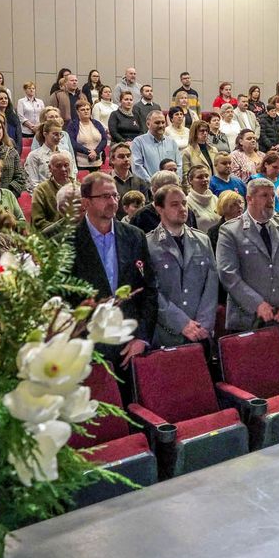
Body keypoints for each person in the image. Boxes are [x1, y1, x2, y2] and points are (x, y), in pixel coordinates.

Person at [71, 173, 157, 404]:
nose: (112, 201)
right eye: (104, 196)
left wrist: (142, 337)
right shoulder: (67, 242)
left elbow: (149, 289)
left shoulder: (134, 236)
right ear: (86, 202)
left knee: (136, 411)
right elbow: (62, 300)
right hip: (89, 350)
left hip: (130, 345)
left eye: (115, 196)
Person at [216, 177, 279, 333]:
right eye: (264, 195)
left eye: (272, 196)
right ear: (249, 199)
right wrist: (257, 304)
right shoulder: (230, 231)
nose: (270, 201)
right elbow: (228, 274)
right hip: (247, 318)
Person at [146, 184, 218, 348]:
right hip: (167, 333)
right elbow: (151, 291)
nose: (182, 209)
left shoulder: (202, 240)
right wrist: (182, 323)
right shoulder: (148, 244)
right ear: (159, 209)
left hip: (201, 332)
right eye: (174, 204)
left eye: (184, 203)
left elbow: (211, 284)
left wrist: (203, 324)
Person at [129, 110, 181, 183]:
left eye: (163, 122)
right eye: (157, 123)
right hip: (149, 186)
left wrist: (176, 181)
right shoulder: (138, 142)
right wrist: (152, 184)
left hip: (171, 186)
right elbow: (137, 167)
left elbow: (179, 165)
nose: (161, 125)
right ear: (148, 124)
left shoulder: (172, 142)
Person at [25, 120, 76, 192]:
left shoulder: (67, 154)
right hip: (44, 195)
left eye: (60, 134)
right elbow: (33, 183)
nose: (59, 137)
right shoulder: (34, 155)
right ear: (45, 134)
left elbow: (72, 178)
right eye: (55, 134)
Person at [31, 153, 76, 233]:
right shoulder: (41, 190)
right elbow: (38, 222)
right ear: (50, 168)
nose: (63, 169)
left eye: (66, 165)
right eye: (58, 166)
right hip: (52, 236)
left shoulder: (79, 188)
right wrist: (62, 230)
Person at [186, 165, 218, 232]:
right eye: (200, 177)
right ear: (190, 180)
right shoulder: (187, 202)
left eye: (206, 176)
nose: (205, 179)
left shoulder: (215, 199)